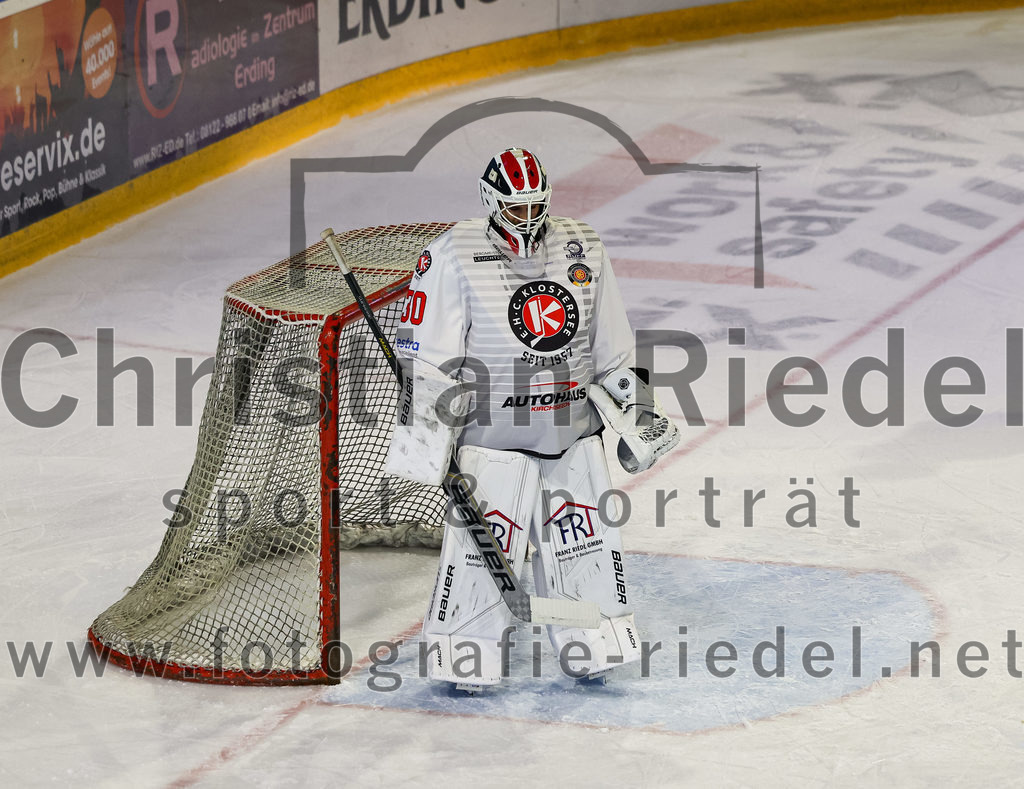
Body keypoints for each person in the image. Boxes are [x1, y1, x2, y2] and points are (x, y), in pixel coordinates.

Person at [384, 146, 679, 692]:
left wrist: (638, 412)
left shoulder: (582, 246)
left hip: (573, 433)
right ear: (491, 201)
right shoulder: (452, 255)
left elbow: (611, 344)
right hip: (492, 440)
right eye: (515, 208)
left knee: (586, 543)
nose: (526, 219)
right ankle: (466, 656)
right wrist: (425, 439)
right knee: (480, 556)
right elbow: (428, 358)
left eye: (534, 205)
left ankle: (595, 644)